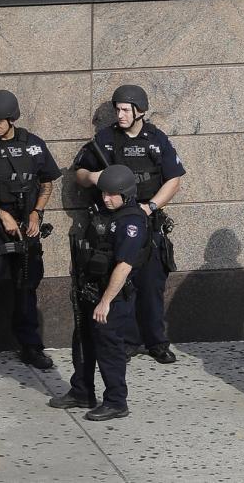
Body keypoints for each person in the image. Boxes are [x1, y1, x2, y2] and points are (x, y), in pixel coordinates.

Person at [74, 84, 184, 364]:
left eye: (126, 109)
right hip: (114, 224)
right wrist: (94, 178)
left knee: (152, 284)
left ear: (140, 111)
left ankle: (157, 341)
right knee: (123, 284)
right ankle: (128, 341)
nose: (120, 114)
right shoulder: (105, 139)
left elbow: (174, 179)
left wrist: (151, 207)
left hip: (146, 221)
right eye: (117, 109)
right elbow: (80, 173)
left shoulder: (156, 140)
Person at [0, 89, 61, 375]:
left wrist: (36, 213)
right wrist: (1, 213)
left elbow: (47, 181)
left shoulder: (34, 146)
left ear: (12, 119)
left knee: (27, 286)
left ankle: (30, 345)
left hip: (27, 225)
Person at [49, 164, 151, 420]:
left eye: (111, 194)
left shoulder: (132, 221)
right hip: (90, 289)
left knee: (109, 348)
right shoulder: (106, 212)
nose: (105, 198)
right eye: (103, 193)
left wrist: (106, 301)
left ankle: (116, 401)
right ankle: (81, 391)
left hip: (112, 296)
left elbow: (124, 265)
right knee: (82, 343)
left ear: (126, 194)